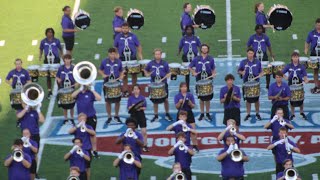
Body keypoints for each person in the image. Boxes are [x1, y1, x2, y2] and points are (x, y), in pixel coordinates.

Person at [72, 83, 101, 158]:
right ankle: (82, 149)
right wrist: (80, 89)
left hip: (91, 116)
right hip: (81, 118)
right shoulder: (78, 93)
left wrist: (92, 90)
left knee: (92, 134)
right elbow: (72, 96)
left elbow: (99, 98)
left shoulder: (90, 93)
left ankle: (94, 150)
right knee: (81, 133)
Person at [144, 48, 173, 122]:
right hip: (154, 84)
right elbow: (145, 70)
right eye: (156, 54)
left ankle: (167, 113)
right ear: (154, 55)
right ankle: (156, 115)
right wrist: (147, 74)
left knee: (166, 99)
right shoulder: (150, 63)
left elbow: (169, 73)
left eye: (159, 54)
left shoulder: (165, 63)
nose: (157, 55)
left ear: (161, 55)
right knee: (154, 100)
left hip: (163, 84)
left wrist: (165, 77)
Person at [114, 22, 143, 97]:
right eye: (123, 28)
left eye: (126, 28)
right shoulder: (118, 36)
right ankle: (125, 91)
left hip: (132, 58)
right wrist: (116, 55)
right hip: (122, 59)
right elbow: (115, 47)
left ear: (129, 28)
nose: (124, 29)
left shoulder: (133, 36)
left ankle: (134, 90)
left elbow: (138, 45)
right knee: (124, 75)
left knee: (134, 75)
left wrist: (140, 54)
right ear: (121, 29)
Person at [189, 44, 216, 121]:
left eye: (206, 48)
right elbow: (190, 67)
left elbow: (213, 68)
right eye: (203, 48)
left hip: (208, 78)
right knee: (201, 98)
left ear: (208, 50)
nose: (204, 50)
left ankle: (207, 113)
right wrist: (193, 72)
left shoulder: (210, 58)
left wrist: (214, 74)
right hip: (199, 78)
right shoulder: (197, 58)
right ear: (201, 49)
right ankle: (202, 113)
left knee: (208, 98)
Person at [99, 47, 125, 124]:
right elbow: (100, 70)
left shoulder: (119, 61)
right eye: (111, 54)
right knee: (108, 101)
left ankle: (116, 115)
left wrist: (121, 76)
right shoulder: (104, 61)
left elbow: (121, 71)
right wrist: (103, 74)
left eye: (114, 54)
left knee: (118, 100)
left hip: (116, 82)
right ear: (108, 54)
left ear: (115, 54)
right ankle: (109, 116)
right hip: (107, 82)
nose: (112, 55)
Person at [68, 113, 96, 180]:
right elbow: (69, 131)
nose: (82, 120)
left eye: (83, 119)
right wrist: (77, 126)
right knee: (76, 166)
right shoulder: (76, 127)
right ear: (78, 119)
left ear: (86, 120)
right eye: (81, 119)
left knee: (87, 167)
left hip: (86, 149)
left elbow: (93, 133)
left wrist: (86, 129)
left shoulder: (88, 127)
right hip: (77, 148)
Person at [238, 48, 263, 121]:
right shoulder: (243, 62)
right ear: (247, 53)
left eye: (252, 53)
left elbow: (261, 71)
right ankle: (248, 113)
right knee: (248, 100)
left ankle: (257, 113)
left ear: (254, 54)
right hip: (246, 82)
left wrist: (261, 74)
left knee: (256, 99)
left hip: (255, 82)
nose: (250, 55)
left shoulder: (257, 62)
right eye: (249, 53)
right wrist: (242, 72)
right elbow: (239, 70)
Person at [282, 52, 308, 120]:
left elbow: (305, 75)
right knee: (291, 100)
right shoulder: (288, 66)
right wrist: (285, 77)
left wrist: (306, 80)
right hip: (291, 85)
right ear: (292, 58)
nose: (295, 58)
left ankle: (301, 112)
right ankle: (292, 113)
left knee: (301, 99)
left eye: (296, 57)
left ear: (298, 58)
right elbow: (281, 73)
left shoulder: (301, 66)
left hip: (299, 85)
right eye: (294, 57)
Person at [247, 25, 273, 89]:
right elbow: (248, 45)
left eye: (261, 29)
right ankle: (255, 83)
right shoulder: (252, 37)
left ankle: (268, 84)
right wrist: (250, 54)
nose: (260, 30)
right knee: (254, 70)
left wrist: (271, 53)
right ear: (256, 30)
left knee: (267, 70)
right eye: (258, 29)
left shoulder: (265, 37)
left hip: (264, 55)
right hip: (255, 56)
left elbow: (269, 46)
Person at [39, 28, 63, 99]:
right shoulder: (43, 41)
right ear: (46, 33)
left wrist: (62, 57)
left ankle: (60, 91)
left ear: (53, 33)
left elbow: (60, 49)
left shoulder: (57, 41)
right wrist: (40, 55)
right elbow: (41, 48)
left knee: (57, 76)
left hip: (55, 60)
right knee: (48, 76)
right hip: (47, 60)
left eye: (51, 32)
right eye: (48, 32)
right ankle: (49, 91)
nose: (50, 34)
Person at [174, 82, 198, 151]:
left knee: (193, 130)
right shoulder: (177, 96)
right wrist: (179, 102)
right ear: (180, 88)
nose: (184, 88)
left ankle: (195, 145)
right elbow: (177, 107)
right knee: (179, 131)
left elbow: (193, 106)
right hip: (181, 114)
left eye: (185, 87)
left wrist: (190, 102)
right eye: (183, 87)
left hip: (189, 113)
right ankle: (178, 144)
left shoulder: (190, 95)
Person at [178, 25, 201, 91]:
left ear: (192, 30)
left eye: (190, 29)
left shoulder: (196, 38)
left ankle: (198, 86)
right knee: (187, 73)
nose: (189, 31)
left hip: (195, 57)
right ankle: (187, 88)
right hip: (186, 57)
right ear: (185, 31)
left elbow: (200, 46)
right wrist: (179, 52)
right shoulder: (183, 38)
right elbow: (180, 46)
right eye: (187, 30)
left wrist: (201, 53)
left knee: (196, 72)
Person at [56, 54, 77, 125]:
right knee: (64, 104)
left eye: (69, 59)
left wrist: (76, 83)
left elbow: (77, 77)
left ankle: (71, 118)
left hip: (71, 88)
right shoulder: (61, 68)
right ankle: (65, 118)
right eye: (66, 59)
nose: (67, 60)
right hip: (63, 88)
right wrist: (58, 80)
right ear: (64, 60)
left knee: (71, 104)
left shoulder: (73, 68)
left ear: (70, 60)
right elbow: (57, 77)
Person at [127, 84, 149, 152]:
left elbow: (144, 107)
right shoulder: (130, 98)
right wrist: (133, 107)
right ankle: (135, 145)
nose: (136, 90)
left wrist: (140, 108)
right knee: (134, 131)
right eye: (134, 89)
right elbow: (129, 108)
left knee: (144, 131)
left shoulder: (142, 98)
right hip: (133, 115)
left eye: (137, 89)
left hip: (141, 114)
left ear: (139, 90)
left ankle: (145, 145)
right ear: (133, 91)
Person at [305, 18, 320, 93]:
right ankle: (317, 86)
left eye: (319, 25)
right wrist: (306, 49)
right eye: (317, 25)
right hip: (314, 54)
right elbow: (307, 42)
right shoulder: (311, 33)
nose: (318, 26)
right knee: (315, 70)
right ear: (315, 24)